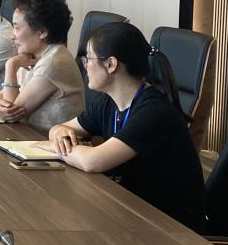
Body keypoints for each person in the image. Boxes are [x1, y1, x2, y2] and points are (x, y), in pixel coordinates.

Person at [47, 22, 205, 232]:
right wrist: (59, 133)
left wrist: (60, 148)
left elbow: (92, 161)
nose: (85, 65)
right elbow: (60, 128)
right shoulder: (109, 102)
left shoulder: (154, 112)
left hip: (170, 227)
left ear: (111, 64)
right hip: (130, 209)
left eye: (89, 59)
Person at [0, 0, 84, 132]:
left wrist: (11, 65)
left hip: (51, 143)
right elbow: (0, 97)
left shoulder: (53, 62)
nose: (12, 35)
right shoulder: (32, 55)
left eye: (17, 28)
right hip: (29, 138)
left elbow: (10, 114)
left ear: (42, 32)